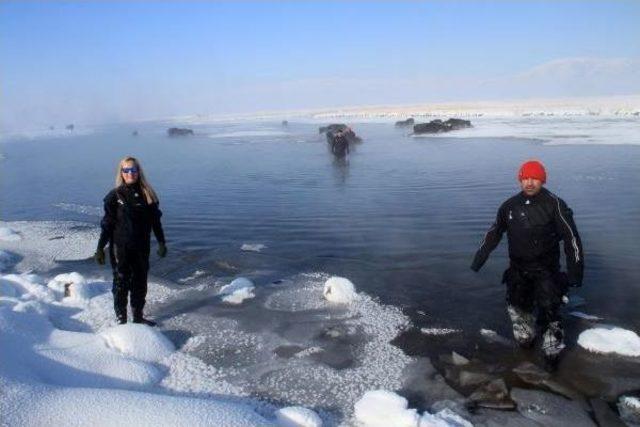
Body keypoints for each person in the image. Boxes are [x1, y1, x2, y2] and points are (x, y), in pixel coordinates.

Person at [470, 160, 583, 369]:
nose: (529, 183)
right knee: (519, 315)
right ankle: (526, 343)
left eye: (535, 178)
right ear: (520, 179)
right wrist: (480, 257)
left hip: (546, 271)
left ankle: (552, 354)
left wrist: (575, 273)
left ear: (542, 180)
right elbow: (494, 233)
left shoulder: (555, 204)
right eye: (525, 178)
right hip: (518, 270)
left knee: (550, 310)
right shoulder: (509, 206)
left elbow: (572, 239)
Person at [94, 156, 167, 325]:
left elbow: (156, 222)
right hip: (120, 248)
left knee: (140, 283)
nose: (130, 173)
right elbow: (107, 225)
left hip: (141, 248)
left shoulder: (148, 195)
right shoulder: (114, 196)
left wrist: (161, 242)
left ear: (138, 171)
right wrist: (100, 248)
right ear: (121, 173)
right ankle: (121, 319)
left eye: (133, 170)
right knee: (121, 282)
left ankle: (138, 317)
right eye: (126, 170)